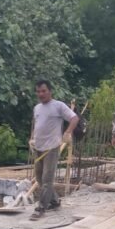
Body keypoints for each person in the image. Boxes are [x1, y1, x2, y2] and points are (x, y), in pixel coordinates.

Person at [29, 80, 79, 220]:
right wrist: (32, 138)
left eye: (44, 91)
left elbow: (74, 118)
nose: (41, 94)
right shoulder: (37, 108)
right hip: (38, 148)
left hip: (51, 148)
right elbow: (37, 125)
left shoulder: (58, 106)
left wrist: (68, 132)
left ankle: (41, 208)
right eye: (38, 91)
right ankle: (55, 201)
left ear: (50, 91)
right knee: (39, 178)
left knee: (47, 179)